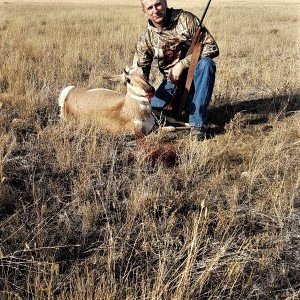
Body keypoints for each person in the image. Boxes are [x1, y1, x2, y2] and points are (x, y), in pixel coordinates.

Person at [134, 0, 219, 139]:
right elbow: (142, 73)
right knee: (155, 115)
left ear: (165, 3)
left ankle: (197, 125)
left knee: (207, 64)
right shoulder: (145, 39)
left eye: (158, 4)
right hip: (171, 82)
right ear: (144, 12)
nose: (156, 10)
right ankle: (184, 110)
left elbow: (212, 47)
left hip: (196, 76)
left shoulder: (185, 20)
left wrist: (182, 64)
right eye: (150, 7)